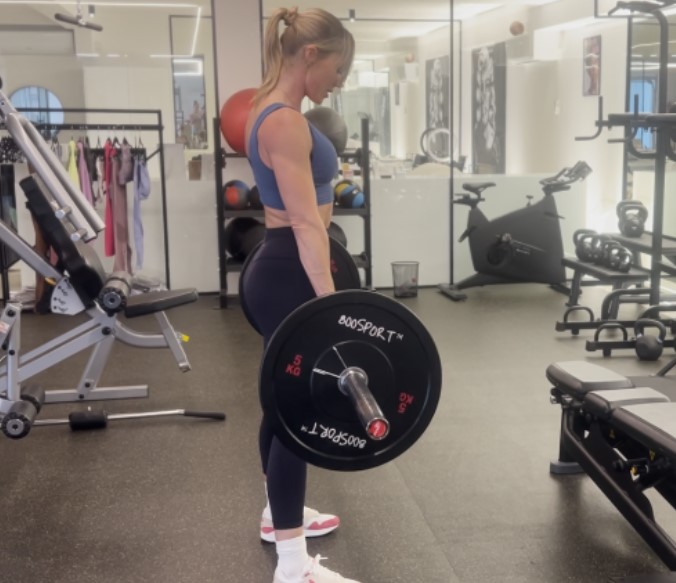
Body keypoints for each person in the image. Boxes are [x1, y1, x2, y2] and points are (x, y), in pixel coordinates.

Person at [242, 6, 359, 583]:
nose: (340, 81)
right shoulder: (283, 121)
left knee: (281, 401)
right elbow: (308, 222)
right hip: (292, 267)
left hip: (282, 265)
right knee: (300, 412)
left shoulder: (269, 109)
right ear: (311, 55)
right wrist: (331, 303)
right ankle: (293, 566)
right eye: (338, 68)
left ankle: (277, 515)